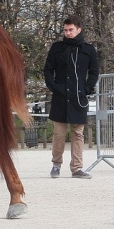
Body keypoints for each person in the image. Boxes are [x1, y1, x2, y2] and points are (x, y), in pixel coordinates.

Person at [43, 15, 99, 179]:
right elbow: (48, 70)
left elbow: (94, 72)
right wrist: (54, 87)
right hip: (60, 96)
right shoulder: (57, 48)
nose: (67, 32)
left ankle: (77, 168)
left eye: (71, 30)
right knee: (59, 134)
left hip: (79, 98)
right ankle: (56, 165)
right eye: (65, 30)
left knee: (78, 134)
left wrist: (87, 89)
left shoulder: (88, 50)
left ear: (78, 29)